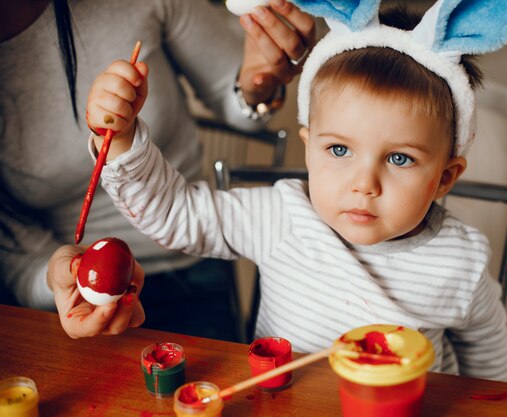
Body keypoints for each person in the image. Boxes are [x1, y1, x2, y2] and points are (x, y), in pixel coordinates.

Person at [80, 0, 507, 380]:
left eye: (399, 158)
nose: (364, 184)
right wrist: (120, 140)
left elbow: (486, 358)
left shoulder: (462, 259)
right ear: (308, 148)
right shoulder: (283, 217)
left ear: (444, 177)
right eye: (339, 150)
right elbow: (174, 215)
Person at [0, 0, 315, 340]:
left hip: (192, 264)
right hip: (65, 305)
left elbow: (240, 91)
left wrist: (257, 85)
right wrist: (57, 278)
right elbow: (18, 259)